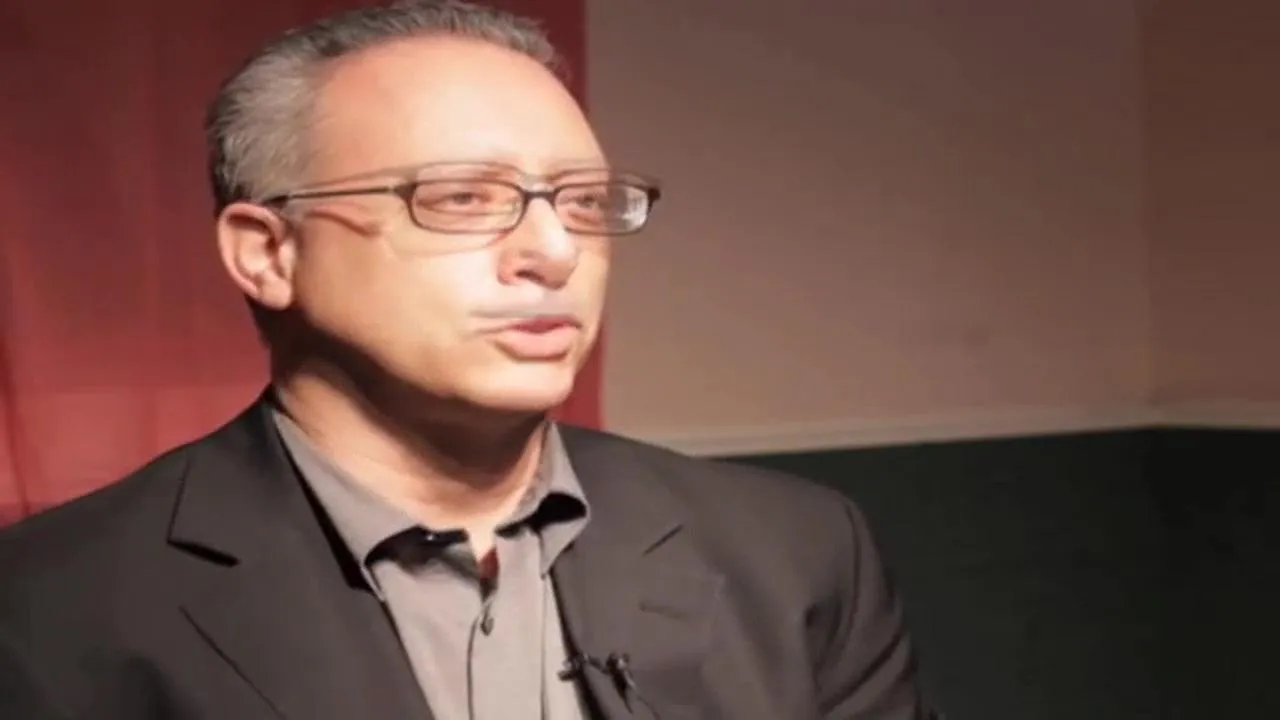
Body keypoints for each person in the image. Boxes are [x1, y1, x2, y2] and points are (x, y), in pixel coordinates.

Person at [0, 1, 934, 718]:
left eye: (582, 201)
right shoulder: (47, 606)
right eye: (460, 199)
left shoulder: (796, 553)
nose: (554, 252)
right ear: (268, 252)